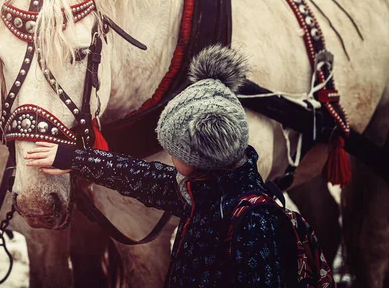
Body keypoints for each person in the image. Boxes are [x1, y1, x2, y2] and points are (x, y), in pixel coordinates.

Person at [25, 45, 335, 288]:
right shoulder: (203, 190)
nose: (169, 156)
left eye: (175, 150)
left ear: (199, 157)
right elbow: (136, 175)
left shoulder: (253, 220)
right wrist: (70, 158)